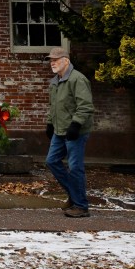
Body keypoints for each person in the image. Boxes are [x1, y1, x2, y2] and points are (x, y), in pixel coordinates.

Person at [45, 47, 95, 218]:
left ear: (66, 60)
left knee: (75, 167)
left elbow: (86, 106)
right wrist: (50, 124)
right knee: (51, 161)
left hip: (76, 131)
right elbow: (54, 107)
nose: (52, 63)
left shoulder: (77, 79)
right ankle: (75, 196)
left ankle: (81, 206)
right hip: (60, 131)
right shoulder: (55, 82)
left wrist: (76, 125)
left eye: (56, 60)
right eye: (51, 60)